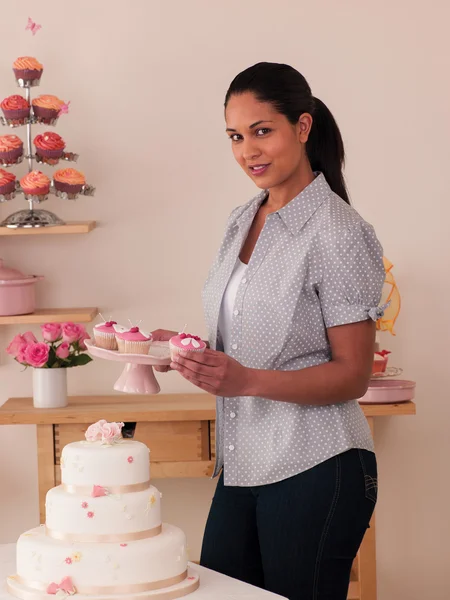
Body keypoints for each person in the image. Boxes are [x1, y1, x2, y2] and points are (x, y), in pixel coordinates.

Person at [152, 62, 385, 600]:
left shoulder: (340, 232)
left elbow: (352, 377)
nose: (248, 151)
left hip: (317, 466)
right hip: (242, 466)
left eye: (262, 131)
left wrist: (244, 381)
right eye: (236, 136)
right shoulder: (242, 219)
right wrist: (185, 351)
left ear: (302, 128)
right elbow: (250, 344)